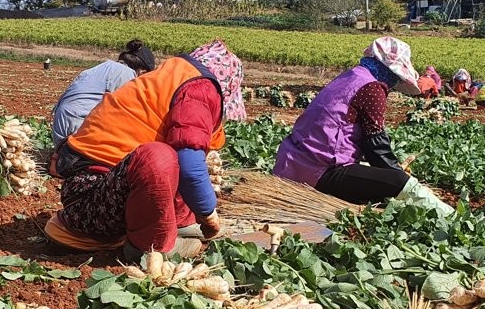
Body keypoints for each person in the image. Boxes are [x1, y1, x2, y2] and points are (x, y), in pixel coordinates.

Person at [44, 39, 244, 261]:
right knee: (159, 157)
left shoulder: (176, 78)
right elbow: (190, 163)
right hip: (90, 204)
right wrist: (208, 213)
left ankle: (181, 224)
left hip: (103, 192)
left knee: (171, 154)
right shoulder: (200, 89)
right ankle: (148, 248)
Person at [272, 36, 451, 215]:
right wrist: (397, 177)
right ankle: (450, 216)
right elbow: (375, 142)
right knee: (397, 181)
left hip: (292, 161)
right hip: (319, 169)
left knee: (376, 181)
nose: (395, 83)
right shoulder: (372, 88)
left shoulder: (353, 76)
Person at [50, 39, 156, 148]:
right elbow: (126, 112)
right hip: (79, 127)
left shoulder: (103, 67)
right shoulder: (127, 74)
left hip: (60, 127)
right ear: (143, 72)